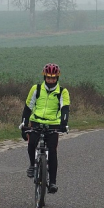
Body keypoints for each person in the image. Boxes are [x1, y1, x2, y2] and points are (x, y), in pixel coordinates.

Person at [20, 63, 70, 194]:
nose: (51, 80)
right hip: (36, 122)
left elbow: (65, 109)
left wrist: (64, 124)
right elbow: (28, 107)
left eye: (53, 78)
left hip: (53, 124)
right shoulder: (36, 89)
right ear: (45, 77)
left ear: (57, 78)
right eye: (48, 78)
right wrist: (24, 124)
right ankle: (32, 165)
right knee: (31, 144)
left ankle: (52, 182)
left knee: (52, 151)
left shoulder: (62, 92)